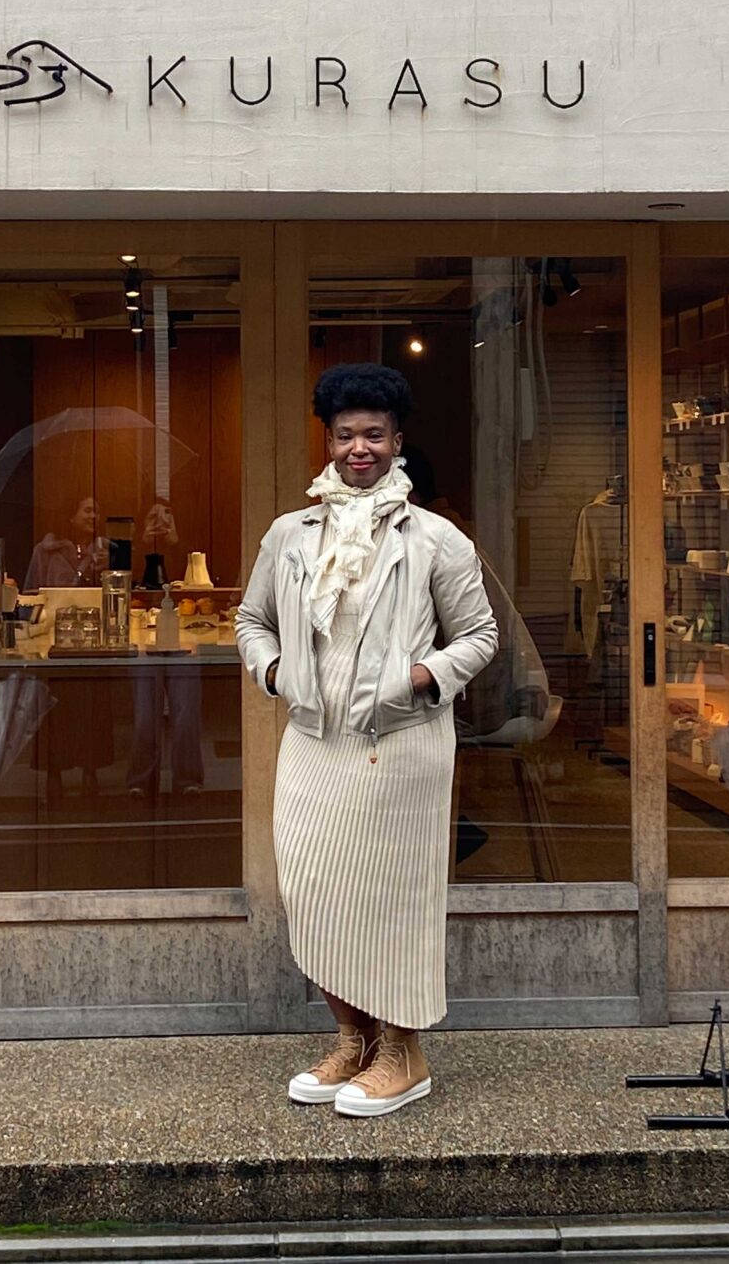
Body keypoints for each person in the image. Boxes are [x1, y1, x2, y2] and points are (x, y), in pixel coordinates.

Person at [237, 364, 497, 1116]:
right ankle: (353, 1040)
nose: (360, 447)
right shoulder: (290, 534)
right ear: (328, 440)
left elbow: (479, 636)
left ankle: (403, 1053)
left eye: (374, 435)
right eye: (347, 434)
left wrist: (420, 676)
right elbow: (251, 620)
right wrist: (276, 670)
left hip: (401, 745)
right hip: (312, 744)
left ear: (397, 441)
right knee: (314, 893)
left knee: (390, 899)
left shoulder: (436, 539)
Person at [23, 495, 108, 591]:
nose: (93, 516)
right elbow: (31, 592)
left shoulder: (105, 550)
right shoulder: (45, 551)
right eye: (88, 511)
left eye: (97, 512)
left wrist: (108, 566)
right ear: (71, 516)